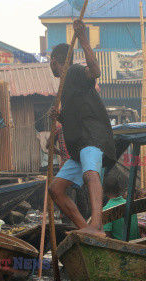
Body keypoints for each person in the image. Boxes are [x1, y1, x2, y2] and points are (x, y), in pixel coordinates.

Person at [48, 19, 116, 236]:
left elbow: (95, 71)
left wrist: (84, 38)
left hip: (92, 139)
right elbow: (77, 116)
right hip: (78, 149)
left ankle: (96, 225)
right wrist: (60, 117)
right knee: (55, 189)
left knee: (90, 176)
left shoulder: (74, 72)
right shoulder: (65, 86)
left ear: (53, 61)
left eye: (50, 62)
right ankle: (86, 228)